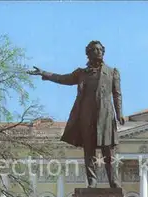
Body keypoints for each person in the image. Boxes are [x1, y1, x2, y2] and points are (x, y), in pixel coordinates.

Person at [28, 40, 125, 189]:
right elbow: (62, 78)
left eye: (100, 50)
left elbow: (117, 94)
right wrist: (44, 73)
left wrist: (119, 113)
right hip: (86, 115)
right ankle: (92, 181)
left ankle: (114, 182)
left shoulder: (112, 72)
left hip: (105, 115)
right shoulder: (81, 73)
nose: (98, 52)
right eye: (95, 50)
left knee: (108, 151)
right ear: (88, 53)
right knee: (89, 151)